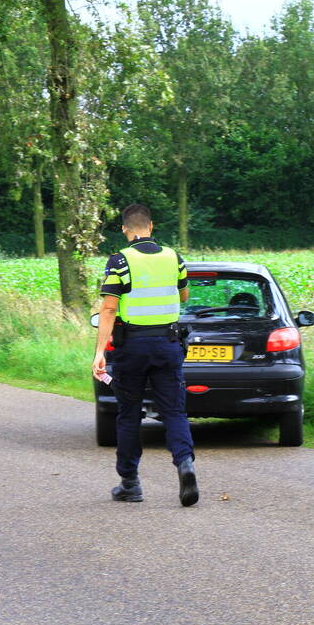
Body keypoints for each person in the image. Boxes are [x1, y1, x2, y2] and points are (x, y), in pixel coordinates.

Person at [92, 204, 199, 507]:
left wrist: (100, 351)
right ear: (151, 227)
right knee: (174, 411)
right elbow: (183, 295)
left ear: (126, 230)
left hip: (132, 348)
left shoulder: (119, 261)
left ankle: (130, 483)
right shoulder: (173, 257)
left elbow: (110, 308)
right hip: (168, 345)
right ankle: (185, 464)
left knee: (129, 413)